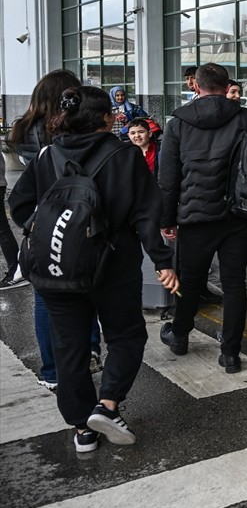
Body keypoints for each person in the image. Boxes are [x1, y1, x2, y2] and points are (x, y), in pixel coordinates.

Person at [9, 85, 178, 453]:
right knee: (126, 336)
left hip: (56, 268)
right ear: (105, 117)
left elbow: (18, 204)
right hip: (113, 267)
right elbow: (147, 215)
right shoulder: (125, 156)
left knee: (68, 347)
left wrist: (49, 230)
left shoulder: (47, 155)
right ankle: (108, 405)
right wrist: (163, 263)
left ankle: (81, 429)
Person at [158, 63, 247, 374]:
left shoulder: (178, 122)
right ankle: (231, 353)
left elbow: (167, 178)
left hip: (196, 216)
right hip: (238, 215)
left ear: (197, 86)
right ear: (227, 86)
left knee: (191, 281)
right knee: (234, 283)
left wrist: (166, 218)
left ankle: (180, 336)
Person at [6, 69, 102, 383]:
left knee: (45, 299)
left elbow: (20, 199)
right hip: (77, 219)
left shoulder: (22, 131)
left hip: (42, 224)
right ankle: (88, 350)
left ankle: (51, 371)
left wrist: (32, 224)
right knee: (84, 288)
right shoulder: (67, 132)